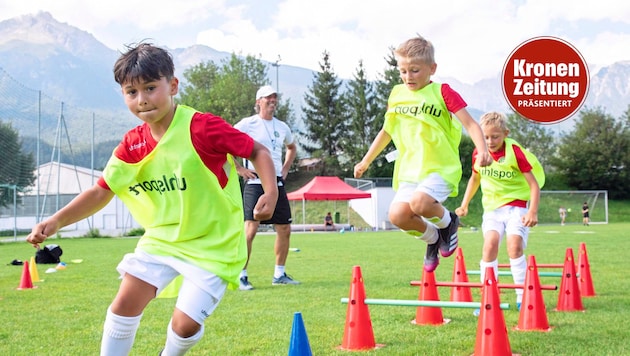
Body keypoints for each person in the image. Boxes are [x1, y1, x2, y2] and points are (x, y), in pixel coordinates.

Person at [25, 43, 278, 356]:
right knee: (123, 305)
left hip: (215, 242)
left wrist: (271, 191)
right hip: (162, 240)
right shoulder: (131, 145)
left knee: (184, 325)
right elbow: (101, 190)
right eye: (131, 92)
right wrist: (55, 221)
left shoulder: (202, 127)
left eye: (150, 88)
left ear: (172, 86)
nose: (142, 99)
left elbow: (258, 151)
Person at [353, 35, 493, 272]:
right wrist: (366, 160)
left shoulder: (443, 92)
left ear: (432, 68)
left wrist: (483, 150)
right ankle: (433, 239)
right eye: (404, 71)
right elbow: (387, 131)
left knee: (420, 203)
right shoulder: (396, 95)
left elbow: (470, 124)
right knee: (398, 215)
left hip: (440, 168)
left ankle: (449, 224)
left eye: (415, 70)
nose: (408, 77)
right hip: (410, 170)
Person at [455, 111, 544, 314]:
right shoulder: (479, 153)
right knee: (490, 246)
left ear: (505, 133)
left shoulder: (514, 153)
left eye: (495, 136)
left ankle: (524, 297)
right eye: (485, 137)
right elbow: (475, 178)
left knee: (514, 247)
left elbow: (534, 185)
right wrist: (465, 204)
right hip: (493, 209)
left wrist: (533, 211)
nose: (490, 141)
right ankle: (488, 297)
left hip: (517, 207)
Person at [234, 85, 299, 290]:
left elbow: (292, 147)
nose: (272, 100)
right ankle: (241, 275)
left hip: (277, 184)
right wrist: (238, 169)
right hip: (254, 182)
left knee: (284, 229)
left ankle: (279, 274)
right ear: (258, 102)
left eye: (274, 97)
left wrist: (286, 168)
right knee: (250, 230)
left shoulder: (282, 127)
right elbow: (225, 144)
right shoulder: (247, 124)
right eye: (267, 97)